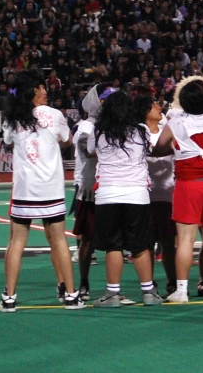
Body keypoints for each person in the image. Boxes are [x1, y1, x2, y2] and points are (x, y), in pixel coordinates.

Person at [0, 69, 84, 312]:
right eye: (42, 87)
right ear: (33, 90)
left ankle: (10, 298)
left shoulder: (13, 117)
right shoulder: (55, 114)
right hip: (51, 189)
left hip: (25, 188)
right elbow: (67, 139)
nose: (46, 91)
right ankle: (70, 295)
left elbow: (7, 141)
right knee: (59, 240)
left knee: (16, 242)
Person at [153, 79, 203, 303]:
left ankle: (181, 290)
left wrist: (176, 148)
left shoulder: (175, 122)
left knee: (186, 239)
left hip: (188, 185)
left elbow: (159, 147)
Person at [89, 91, 162, 308]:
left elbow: (90, 151)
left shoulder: (99, 130)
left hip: (108, 194)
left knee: (114, 246)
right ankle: (149, 292)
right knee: (139, 246)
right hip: (137, 194)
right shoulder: (141, 131)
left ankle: (112, 294)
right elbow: (150, 149)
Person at [135, 92, 177, 296]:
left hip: (168, 193)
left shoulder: (166, 130)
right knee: (147, 243)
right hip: (146, 195)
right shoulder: (138, 133)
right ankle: (148, 284)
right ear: (145, 111)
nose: (159, 108)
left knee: (169, 243)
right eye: (154, 106)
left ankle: (173, 282)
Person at [70, 84, 108, 302]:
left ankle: (114, 287)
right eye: (103, 99)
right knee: (87, 239)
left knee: (117, 242)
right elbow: (89, 151)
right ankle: (84, 282)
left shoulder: (110, 124)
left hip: (112, 185)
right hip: (90, 186)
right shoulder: (85, 127)